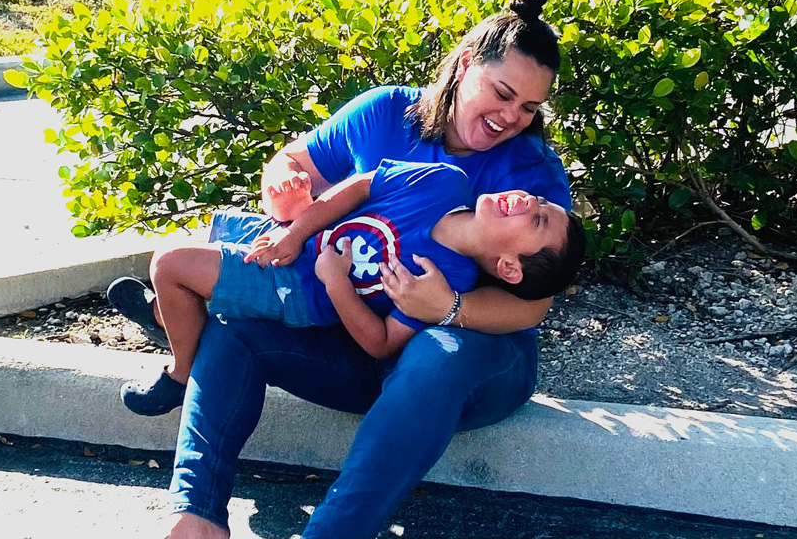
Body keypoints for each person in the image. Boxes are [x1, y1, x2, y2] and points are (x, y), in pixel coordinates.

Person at [134, 0, 571, 537]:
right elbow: (295, 168)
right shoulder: (389, 111)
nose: (511, 118)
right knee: (235, 330)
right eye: (503, 94)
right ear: (464, 66)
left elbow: (533, 307)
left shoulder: (531, 178)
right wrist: (283, 195)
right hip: (356, 331)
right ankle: (195, 516)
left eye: (529, 108)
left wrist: (449, 306)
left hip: (465, 363)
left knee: (435, 352)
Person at [110, 159, 584, 416]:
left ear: (510, 269)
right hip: (296, 240)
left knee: (170, 264)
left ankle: (180, 373)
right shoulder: (445, 182)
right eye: (540, 201)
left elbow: (380, 345)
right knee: (194, 259)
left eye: (538, 217)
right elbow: (360, 188)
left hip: (297, 287)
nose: (528, 199)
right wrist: (296, 226)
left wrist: (335, 283)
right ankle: (166, 318)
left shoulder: (442, 282)